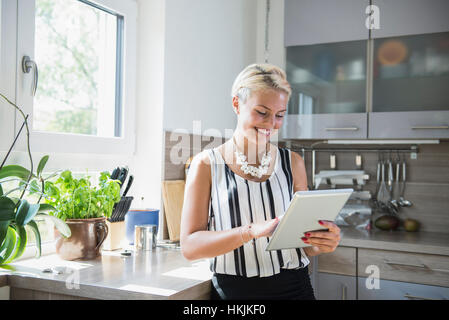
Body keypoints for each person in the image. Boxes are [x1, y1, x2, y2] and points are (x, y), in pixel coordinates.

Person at [180, 63, 341, 300]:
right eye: (262, 112)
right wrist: (251, 231)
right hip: (235, 294)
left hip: (295, 289)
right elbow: (190, 247)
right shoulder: (206, 164)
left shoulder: (293, 163)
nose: (270, 124)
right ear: (237, 104)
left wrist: (321, 243)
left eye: (279, 115)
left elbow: (303, 244)